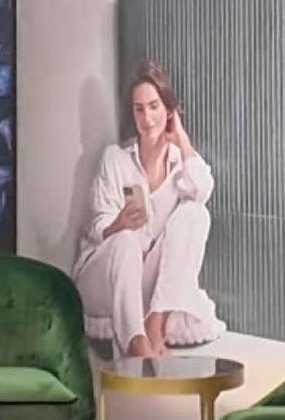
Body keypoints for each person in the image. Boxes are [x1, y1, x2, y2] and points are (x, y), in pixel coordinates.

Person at [73, 61, 223, 359]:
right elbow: (96, 227)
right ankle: (135, 346)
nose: (147, 117)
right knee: (127, 239)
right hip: (102, 278)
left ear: (168, 110)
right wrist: (118, 224)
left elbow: (204, 190)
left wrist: (181, 137)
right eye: (139, 109)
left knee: (195, 214)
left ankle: (155, 326)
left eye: (154, 106)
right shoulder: (116, 158)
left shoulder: (180, 162)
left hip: (145, 280)